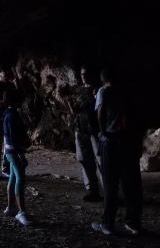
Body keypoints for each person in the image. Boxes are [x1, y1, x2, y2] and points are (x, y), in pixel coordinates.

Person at [91, 68, 143, 235]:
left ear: (103, 78)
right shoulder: (129, 92)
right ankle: (133, 222)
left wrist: (103, 131)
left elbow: (100, 112)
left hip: (111, 140)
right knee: (131, 184)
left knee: (110, 183)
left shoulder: (103, 91)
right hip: (129, 141)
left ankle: (107, 224)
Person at [65, 65, 103, 202]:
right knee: (84, 159)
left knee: (100, 161)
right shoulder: (78, 90)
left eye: (86, 73)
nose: (83, 76)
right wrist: (70, 106)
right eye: (82, 74)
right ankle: (92, 190)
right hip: (80, 128)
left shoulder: (98, 90)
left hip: (94, 129)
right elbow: (75, 111)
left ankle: (109, 191)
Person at [2, 89, 32, 226]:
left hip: (9, 151)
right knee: (20, 178)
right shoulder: (12, 116)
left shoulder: (8, 113)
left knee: (13, 178)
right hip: (14, 151)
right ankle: (22, 212)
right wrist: (21, 154)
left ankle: (10, 207)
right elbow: (14, 138)